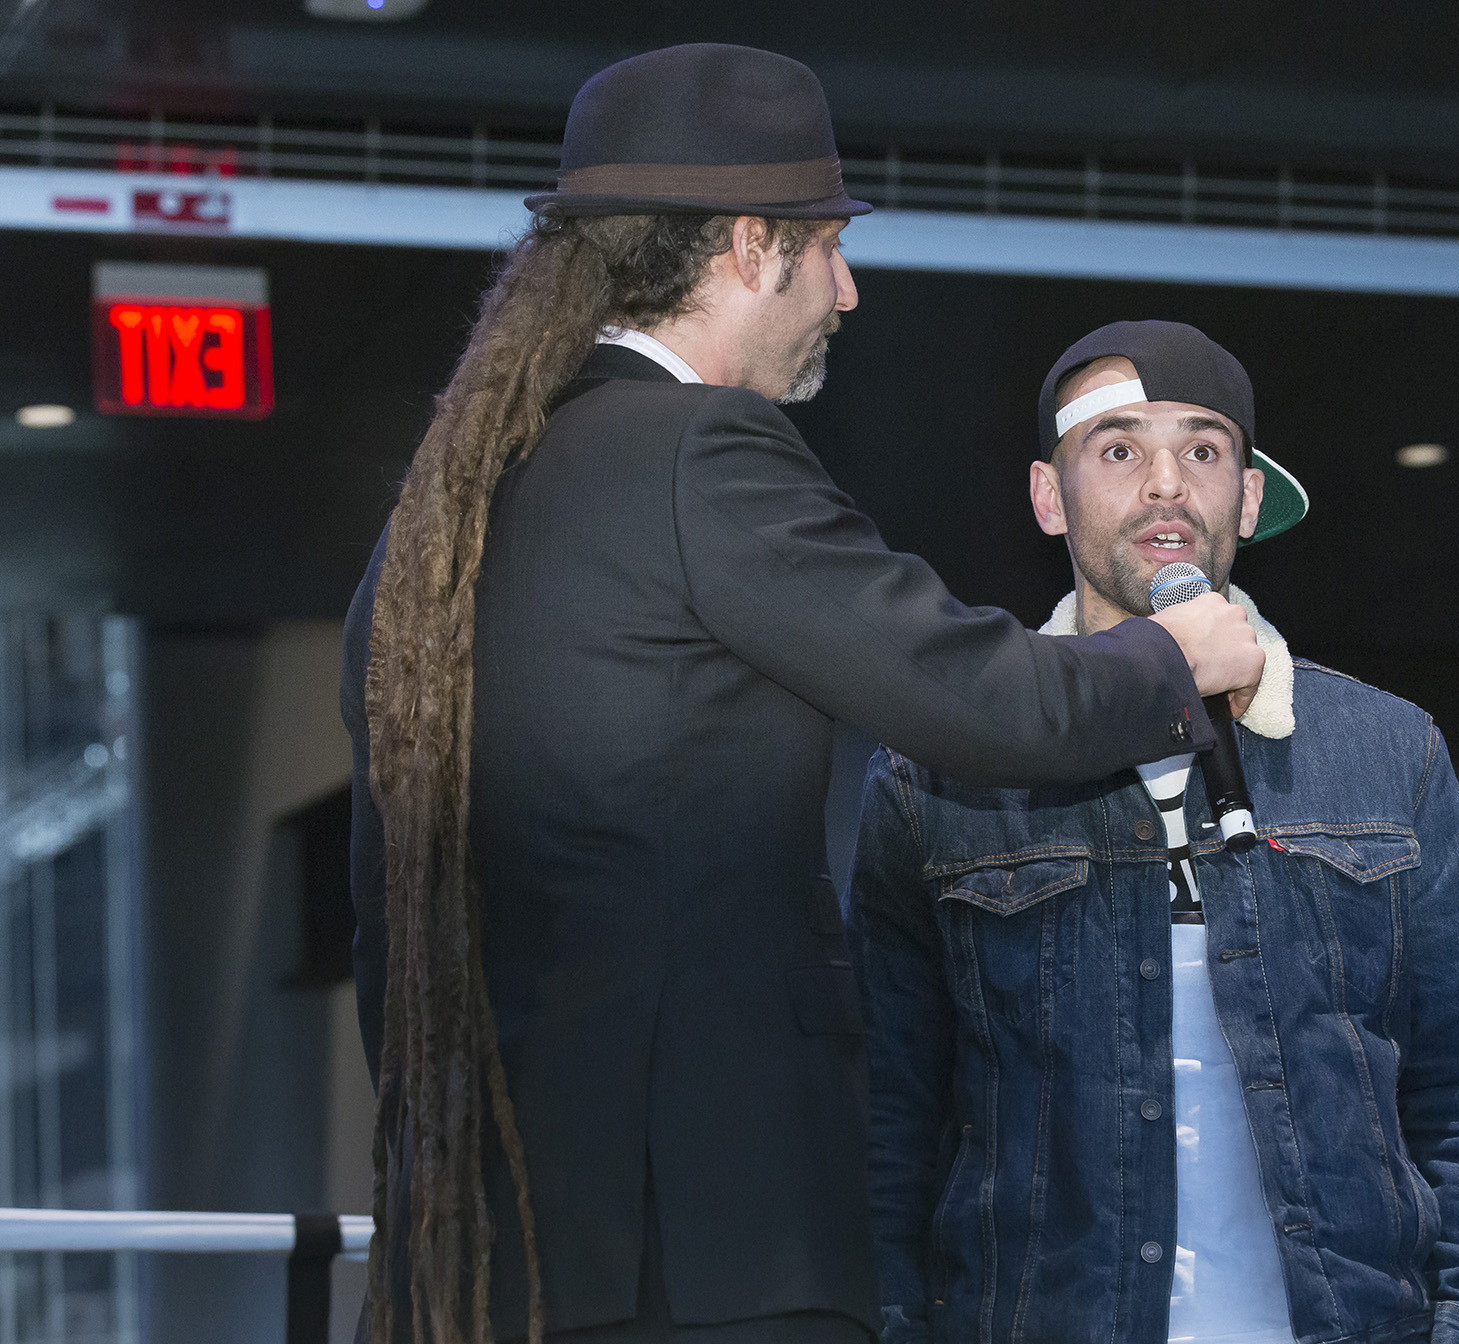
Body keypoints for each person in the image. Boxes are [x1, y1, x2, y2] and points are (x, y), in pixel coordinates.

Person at [339, 50, 1263, 1344]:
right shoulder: (693, 448)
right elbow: (979, 697)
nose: (848, 289)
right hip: (705, 1258)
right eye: (828, 248)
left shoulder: (448, 511)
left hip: (504, 1252)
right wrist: (1178, 656)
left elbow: (387, 911)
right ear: (748, 246)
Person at [849, 321, 1459, 1344]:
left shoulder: (1391, 754)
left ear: (1246, 499)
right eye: (1120, 449)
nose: (1166, 485)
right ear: (1049, 496)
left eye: (1202, 450)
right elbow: (886, 1121)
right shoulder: (937, 771)